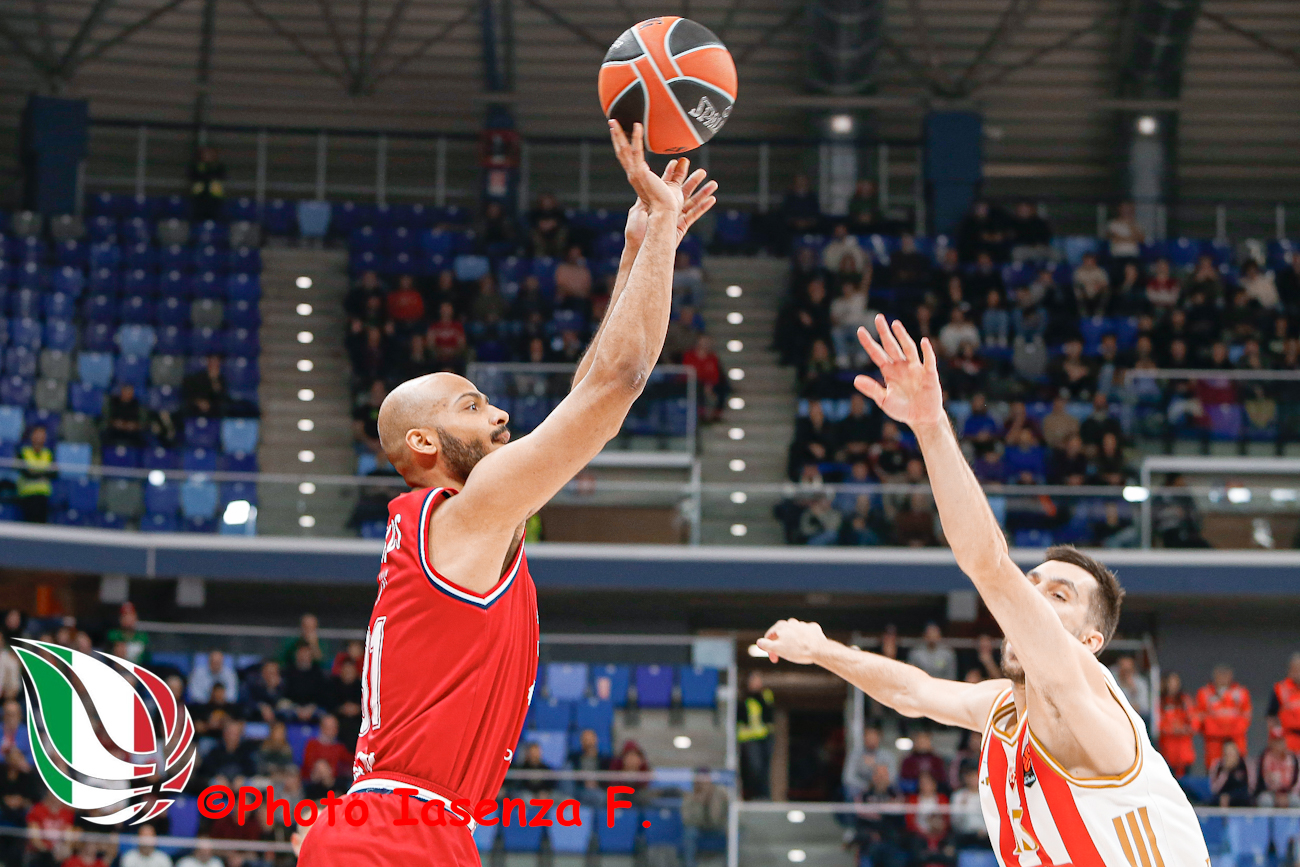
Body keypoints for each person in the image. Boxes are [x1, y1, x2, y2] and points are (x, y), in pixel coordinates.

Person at [295, 122, 716, 867]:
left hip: (416, 826)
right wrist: (661, 237)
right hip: (396, 831)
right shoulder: (467, 511)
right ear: (424, 444)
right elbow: (617, 386)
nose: (499, 416)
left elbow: (587, 393)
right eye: (471, 405)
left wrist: (636, 253)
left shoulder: (459, 521)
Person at [756, 313, 1208, 865]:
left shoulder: (1085, 698)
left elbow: (989, 565)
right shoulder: (1002, 711)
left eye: (1058, 597)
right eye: (1032, 585)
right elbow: (912, 691)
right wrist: (822, 649)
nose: (1032, 598)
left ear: (1091, 643)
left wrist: (930, 427)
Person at [1197, 663, 1252, 769]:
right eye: (1220, 675)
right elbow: (1201, 719)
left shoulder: (1241, 692)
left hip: (1236, 741)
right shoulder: (1204, 693)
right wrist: (1221, 728)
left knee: (1238, 769)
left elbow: (1245, 718)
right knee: (1214, 769)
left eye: (1225, 674)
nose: (1223, 678)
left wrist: (1224, 728)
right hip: (1213, 743)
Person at [738, 671, 775, 799]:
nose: (757, 683)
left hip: (765, 737)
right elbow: (741, 717)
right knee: (755, 767)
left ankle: (764, 795)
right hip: (750, 738)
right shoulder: (743, 698)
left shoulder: (765, 695)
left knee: (765, 768)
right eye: (754, 680)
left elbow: (768, 712)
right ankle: (754, 794)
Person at [681, 768, 728, 867]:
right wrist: (699, 803)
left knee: (733, 832)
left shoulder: (720, 793)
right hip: (699, 827)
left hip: (718, 827)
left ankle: (730, 862)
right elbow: (686, 819)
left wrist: (709, 798)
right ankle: (690, 864)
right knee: (689, 833)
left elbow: (722, 815)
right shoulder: (690, 795)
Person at [1157, 672, 1199, 778]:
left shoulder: (1185, 700)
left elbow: (1194, 722)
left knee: (1185, 784)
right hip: (1167, 752)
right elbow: (1157, 725)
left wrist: (1184, 729)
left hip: (1184, 753)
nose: (1173, 685)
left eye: (1175, 682)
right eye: (1170, 682)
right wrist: (1171, 729)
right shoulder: (1159, 701)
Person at [842, 722, 898, 801]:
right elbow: (848, 778)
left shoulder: (887, 755)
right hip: (861, 788)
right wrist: (867, 785)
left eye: (874, 737)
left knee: (895, 790)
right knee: (850, 790)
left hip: (883, 787)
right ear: (864, 738)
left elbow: (893, 776)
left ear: (879, 737)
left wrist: (874, 766)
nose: (871, 740)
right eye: (869, 736)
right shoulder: (855, 754)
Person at [17, 425, 54, 523]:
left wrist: (34, 471)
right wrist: (43, 473)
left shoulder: (48, 453)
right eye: (37, 434)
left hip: (43, 496)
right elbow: (26, 473)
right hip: (27, 495)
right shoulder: (24, 452)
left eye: (42, 435)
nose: (39, 438)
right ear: (32, 436)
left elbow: (54, 473)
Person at [1268, 653, 1300, 754]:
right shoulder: (1280, 689)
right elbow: (1271, 717)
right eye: (1295, 669)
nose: (1298, 672)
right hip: (1288, 739)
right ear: (1289, 670)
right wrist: (1273, 740)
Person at [1209, 740, 1253, 807]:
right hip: (1222, 797)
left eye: (1232, 752)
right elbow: (1214, 789)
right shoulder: (1218, 765)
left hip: (1241, 797)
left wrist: (1231, 797)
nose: (1230, 756)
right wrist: (1225, 771)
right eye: (1227, 753)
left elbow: (1251, 788)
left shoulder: (1245, 764)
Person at [189, 146, 226, 221]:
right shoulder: (196, 166)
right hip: (199, 197)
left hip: (215, 197)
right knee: (198, 217)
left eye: (210, 154)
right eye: (206, 154)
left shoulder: (218, 166)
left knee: (215, 217)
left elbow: (221, 176)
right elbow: (193, 176)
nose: (208, 156)